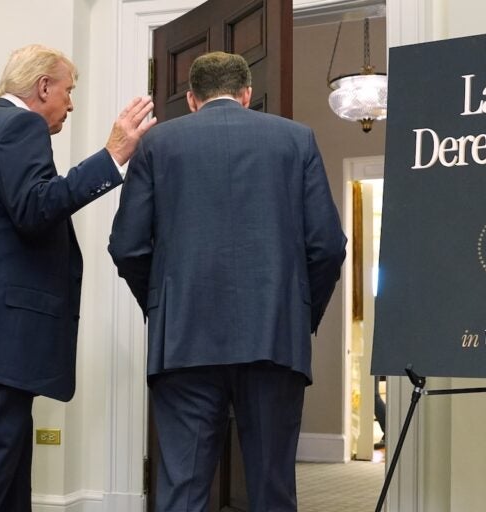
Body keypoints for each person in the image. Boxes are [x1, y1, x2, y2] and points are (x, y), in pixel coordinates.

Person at [0, 44, 157, 511]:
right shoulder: (20, 126)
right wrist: (111, 154)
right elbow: (35, 208)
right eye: (68, 90)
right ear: (43, 87)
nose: (71, 103)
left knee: (7, 479)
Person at [108, 51, 346, 511]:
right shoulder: (296, 140)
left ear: (193, 100)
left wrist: (164, 305)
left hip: (182, 340)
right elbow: (328, 247)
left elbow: (127, 247)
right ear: (247, 95)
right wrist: (299, 313)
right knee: (273, 490)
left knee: (183, 490)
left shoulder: (158, 145)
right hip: (275, 338)